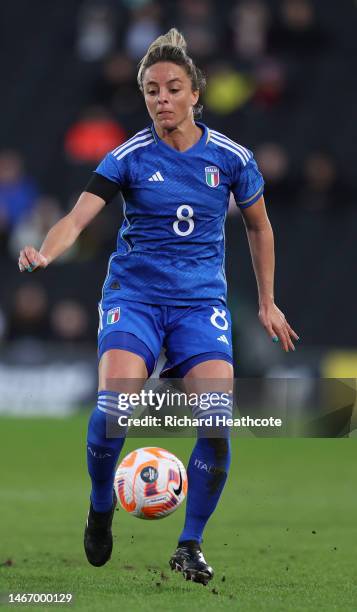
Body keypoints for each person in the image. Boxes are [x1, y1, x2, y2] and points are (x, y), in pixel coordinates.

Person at [18, 28, 298, 585]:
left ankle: (189, 544)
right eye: (151, 90)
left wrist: (267, 302)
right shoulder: (128, 157)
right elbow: (77, 217)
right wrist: (46, 252)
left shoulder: (232, 159)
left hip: (199, 305)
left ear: (196, 93)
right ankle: (102, 508)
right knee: (116, 406)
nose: (161, 99)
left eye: (172, 88)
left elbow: (260, 227)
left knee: (217, 424)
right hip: (136, 298)